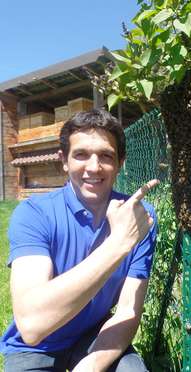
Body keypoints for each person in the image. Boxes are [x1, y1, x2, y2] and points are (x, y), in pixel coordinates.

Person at [0, 109, 159, 372]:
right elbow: (31, 325)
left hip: (94, 334)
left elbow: (128, 310)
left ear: (120, 163)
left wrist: (93, 365)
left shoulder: (139, 216)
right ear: (64, 160)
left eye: (106, 156)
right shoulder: (34, 214)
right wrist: (118, 242)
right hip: (36, 346)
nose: (93, 167)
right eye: (81, 154)